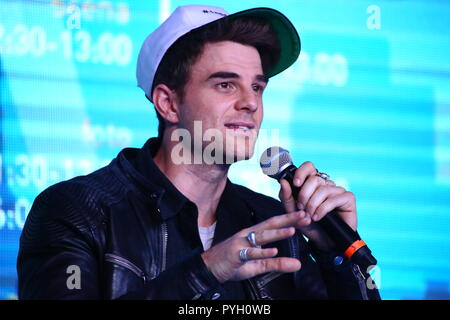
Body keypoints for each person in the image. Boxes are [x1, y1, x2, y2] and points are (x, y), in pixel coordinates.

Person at [17, 5, 381, 300]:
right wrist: (204, 272)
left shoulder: (276, 222)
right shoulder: (75, 211)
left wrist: (336, 255)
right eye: (226, 84)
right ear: (168, 103)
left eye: (257, 87)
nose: (251, 103)